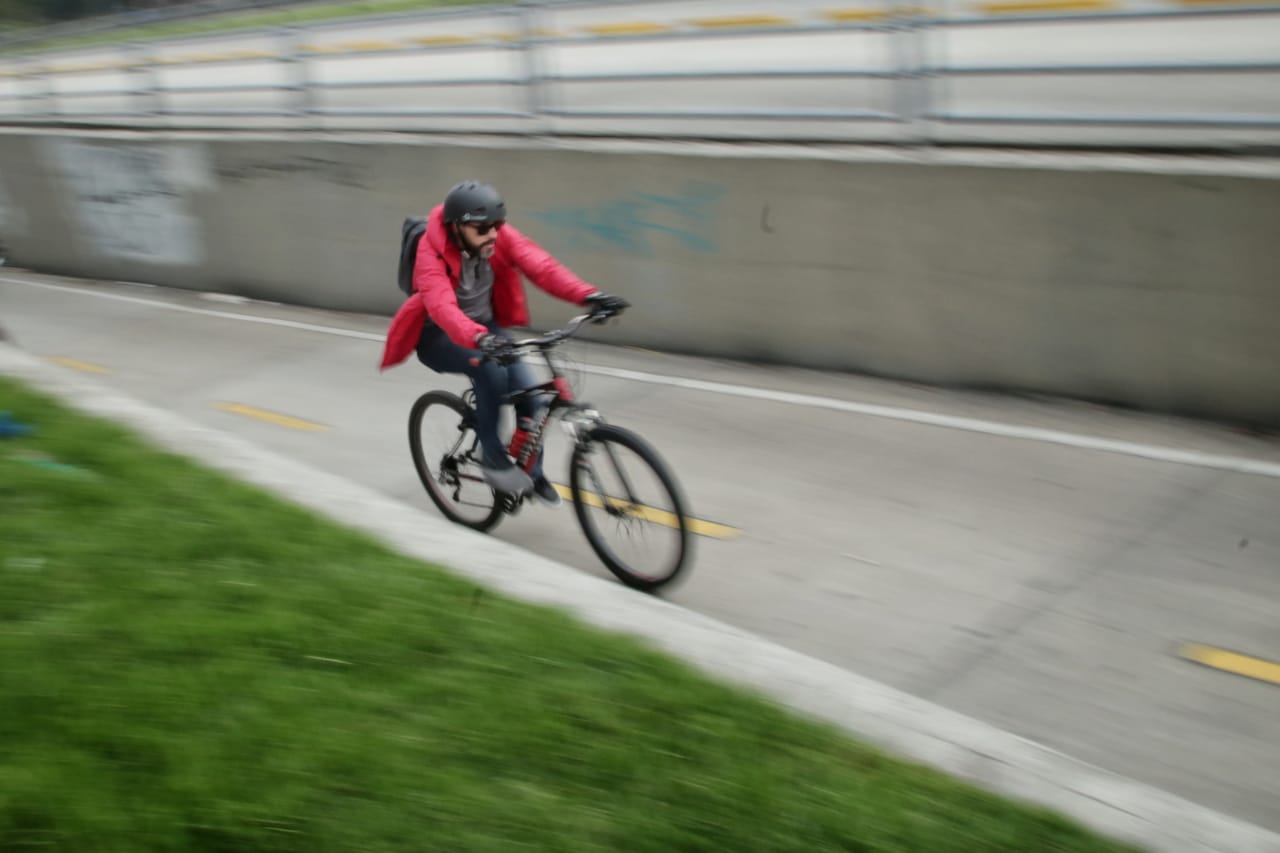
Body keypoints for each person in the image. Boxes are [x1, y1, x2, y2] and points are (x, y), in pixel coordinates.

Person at [379, 180, 629, 504]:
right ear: (457, 228)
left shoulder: (497, 238)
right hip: (438, 334)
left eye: (496, 225)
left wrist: (589, 296)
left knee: (534, 399)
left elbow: (541, 265)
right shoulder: (432, 250)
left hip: (485, 330)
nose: (493, 234)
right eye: (482, 229)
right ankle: (492, 458)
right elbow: (441, 307)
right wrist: (479, 339)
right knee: (491, 372)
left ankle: (531, 473)